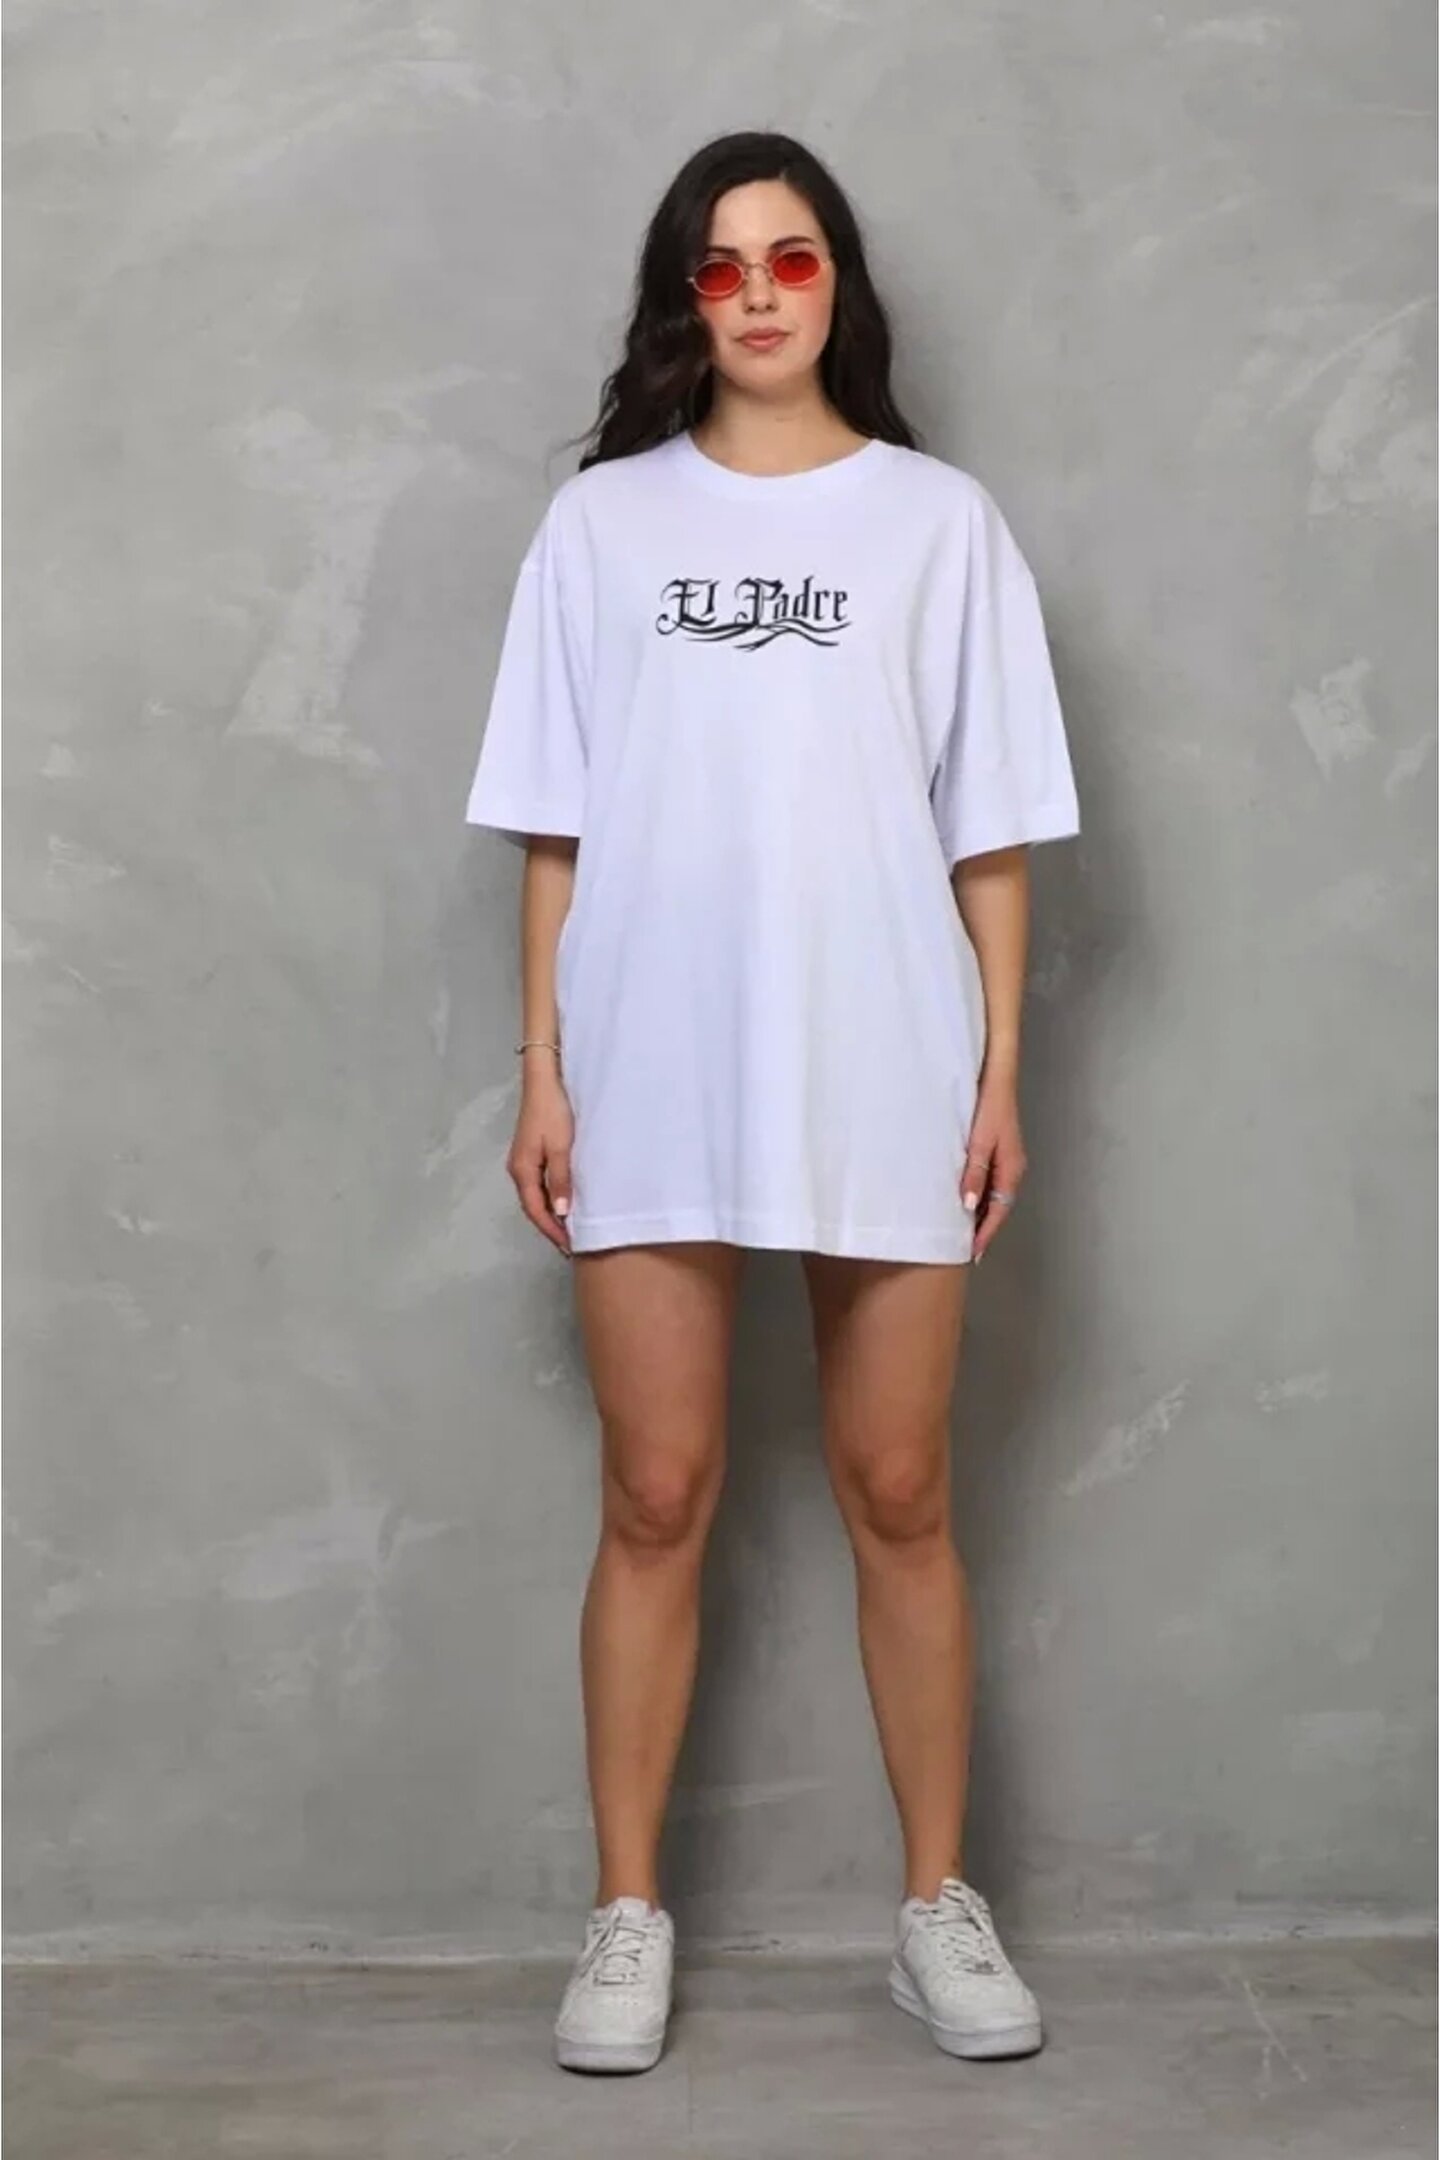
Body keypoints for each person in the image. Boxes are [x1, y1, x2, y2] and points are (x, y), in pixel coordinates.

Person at [463, 130, 1081, 2076]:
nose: (755, 294)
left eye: (790, 259)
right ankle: (626, 1914)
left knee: (900, 1488)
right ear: (684, 296)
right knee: (655, 1494)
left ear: (837, 287)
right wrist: (545, 1067)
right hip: (648, 1052)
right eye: (719, 266)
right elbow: (553, 828)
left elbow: (990, 833)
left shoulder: (939, 526)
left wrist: (999, 1072)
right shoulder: (600, 529)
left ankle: (935, 1908)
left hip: (887, 1051)